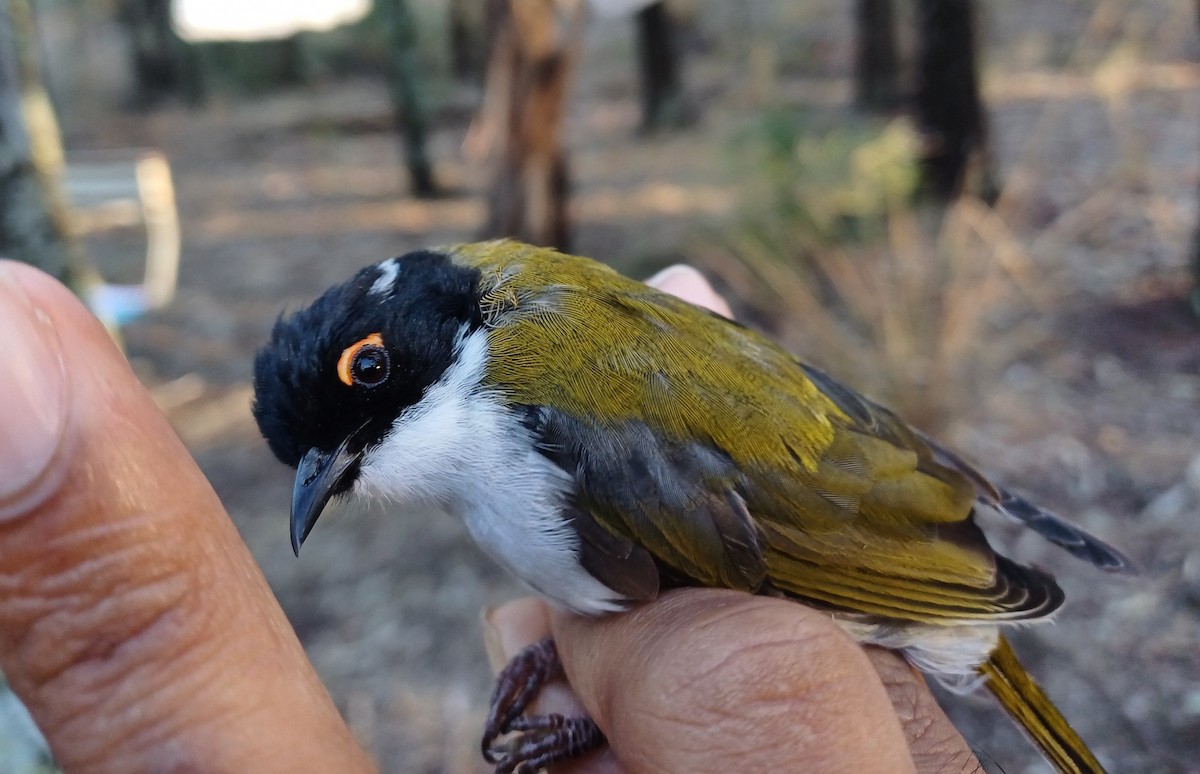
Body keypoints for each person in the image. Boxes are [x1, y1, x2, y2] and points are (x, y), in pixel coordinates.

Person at [0, 259, 979, 772]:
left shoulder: (541, 428)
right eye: (321, 464)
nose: (338, 463)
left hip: (882, 556)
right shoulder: (509, 392)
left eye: (367, 372)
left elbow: (769, 603)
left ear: (433, 318)